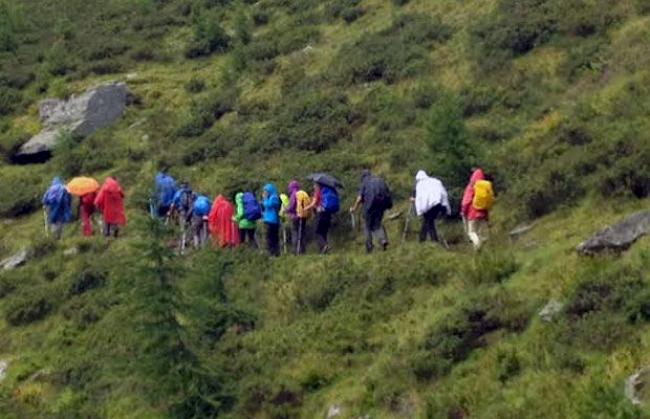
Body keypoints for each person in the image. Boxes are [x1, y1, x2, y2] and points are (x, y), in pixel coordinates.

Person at [350, 170, 392, 253]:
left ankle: (369, 248)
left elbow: (359, 198)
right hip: (381, 206)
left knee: (367, 227)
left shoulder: (364, 182)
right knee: (377, 225)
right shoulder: (380, 180)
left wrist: (354, 208)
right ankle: (383, 240)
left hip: (369, 207)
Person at [410, 170, 451, 243]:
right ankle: (427, 240)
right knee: (429, 221)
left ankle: (427, 240)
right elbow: (443, 193)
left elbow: (421, 197)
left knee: (428, 222)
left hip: (429, 206)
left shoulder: (420, 184)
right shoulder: (435, 181)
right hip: (439, 204)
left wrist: (419, 209)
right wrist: (446, 207)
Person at [460, 168, 493, 249]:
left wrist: (463, 211)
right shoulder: (486, 186)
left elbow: (466, 202)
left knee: (471, 232)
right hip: (483, 213)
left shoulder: (471, 186)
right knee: (481, 233)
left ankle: (477, 245)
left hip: (472, 213)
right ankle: (480, 253)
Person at [305, 182, 339, 254]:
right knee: (324, 232)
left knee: (317, 232)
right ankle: (324, 251)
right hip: (328, 214)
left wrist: (306, 208)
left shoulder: (318, 192)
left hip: (320, 214)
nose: (314, 186)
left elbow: (314, 203)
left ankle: (324, 246)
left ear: (318, 185)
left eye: (315, 185)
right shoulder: (327, 191)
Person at [286, 180, 310, 255]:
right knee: (302, 233)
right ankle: (303, 250)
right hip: (303, 216)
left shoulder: (294, 194)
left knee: (295, 233)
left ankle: (295, 250)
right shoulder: (301, 193)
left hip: (295, 217)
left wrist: (286, 210)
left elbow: (291, 206)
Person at [169, 181, 194, 248]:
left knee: (182, 228)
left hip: (182, 212)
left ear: (181, 186)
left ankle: (182, 245)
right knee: (190, 227)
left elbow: (173, 204)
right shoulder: (191, 192)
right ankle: (190, 241)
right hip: (191, 212)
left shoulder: (178, 193)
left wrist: (170, 212)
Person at [262, 183, 281, 257]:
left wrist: (265, 198)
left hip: (272, 220)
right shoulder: (271, 197)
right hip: (269, 219)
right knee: (270, 237)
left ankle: (274, 253)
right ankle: (272, 252)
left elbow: (269, 205)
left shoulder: (274, 197)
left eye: (266, 191)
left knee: (271, 237)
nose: (265, 192)